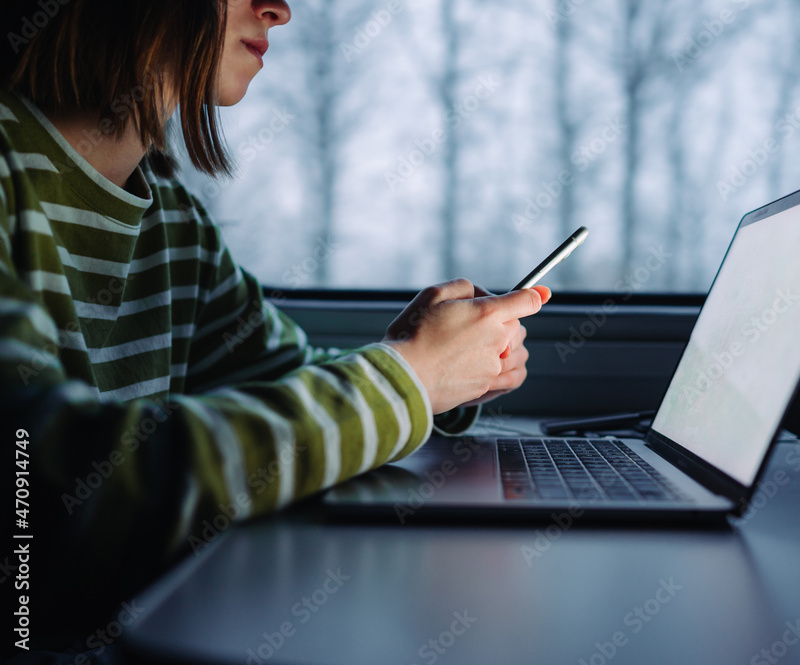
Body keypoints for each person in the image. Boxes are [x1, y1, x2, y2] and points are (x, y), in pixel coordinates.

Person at [0, 0, 550, 657]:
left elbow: (293, 384)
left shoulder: (175, 228)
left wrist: (442, 373)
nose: (279, 10)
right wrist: (411, 375)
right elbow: (54, 494)